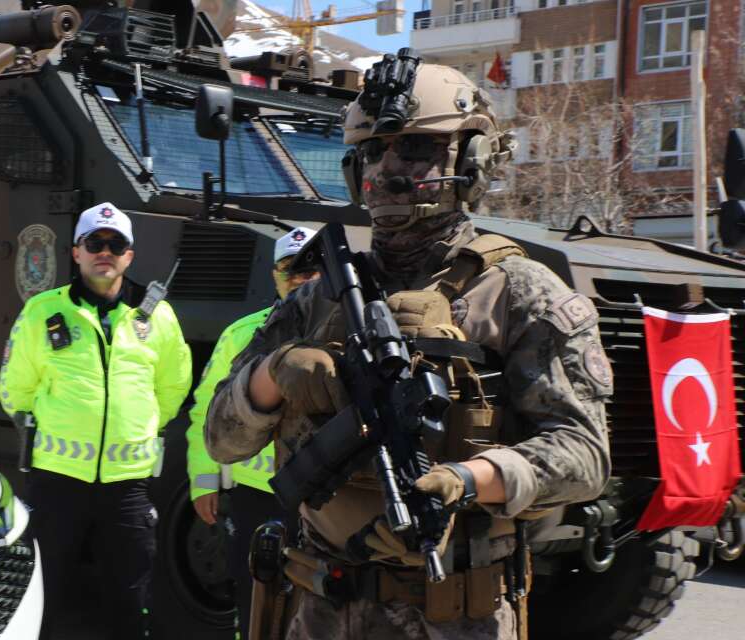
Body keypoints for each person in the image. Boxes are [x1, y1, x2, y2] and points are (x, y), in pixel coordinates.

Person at [204, 56, 613, 640]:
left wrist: (468, 480)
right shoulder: (314, 300)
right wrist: (274, 374)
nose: (388, 168)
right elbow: (222, 441)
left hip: (452, 613)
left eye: (416, 150)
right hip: (316, 606)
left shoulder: (520, 293)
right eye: (372, 151)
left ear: (469, 159)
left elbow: (584, 456)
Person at [0, 202, 193, 639]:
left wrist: (135, 428)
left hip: (128, 485)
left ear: (130, 255)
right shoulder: (43, 312)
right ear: (76, 253)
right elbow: (15, 389)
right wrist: (55, 429)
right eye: (95, 243)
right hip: (57, 480)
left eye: (116, 244)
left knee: (129, 596)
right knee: (46, 593)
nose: (105, 251)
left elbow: (172, 387)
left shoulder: (155, 316)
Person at [185, 226, 318, 639]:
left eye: (308, 267)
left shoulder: (347, 331)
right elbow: (207, 409)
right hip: (257, 495)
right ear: (275, 275)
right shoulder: (242, 335)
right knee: (256, 602)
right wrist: (204, 478)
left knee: (319, 607)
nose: (299, 276)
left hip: (324, 500)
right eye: (288, 268)